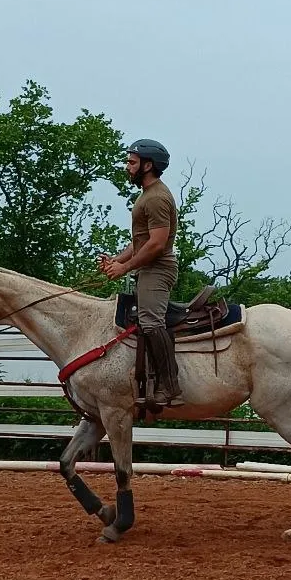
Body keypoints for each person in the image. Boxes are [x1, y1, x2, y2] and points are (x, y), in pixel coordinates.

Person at [99, 139, 184, 407]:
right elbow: (140, 241)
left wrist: (124, 267)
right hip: (148, 268)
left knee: (150, 321)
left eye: (132, 162)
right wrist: (116, 260)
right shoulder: (147, 195)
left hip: (158, 269)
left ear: (148, 165)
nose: (127, 167)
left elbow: (157, 244)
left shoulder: (157, 198)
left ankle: (170, 386)